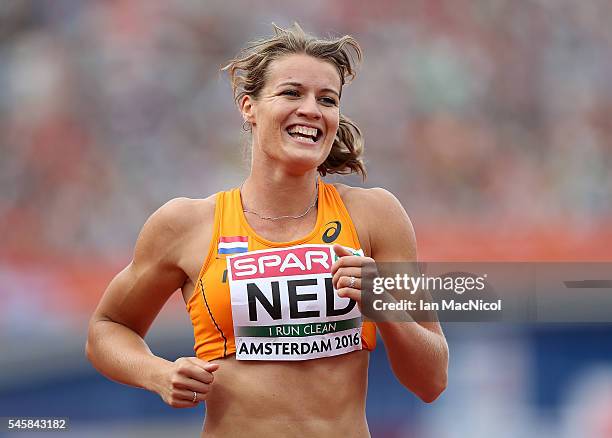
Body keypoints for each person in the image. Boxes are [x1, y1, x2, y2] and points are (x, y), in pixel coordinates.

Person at [86, 23, 448, 437]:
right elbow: (106, 329)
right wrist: (157, 373)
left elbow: (432, 380)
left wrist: (382, 302)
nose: (311, 109)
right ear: (249, 107)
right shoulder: (186, 225)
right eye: (292, 93)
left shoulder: (374, 215)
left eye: (327, 99)